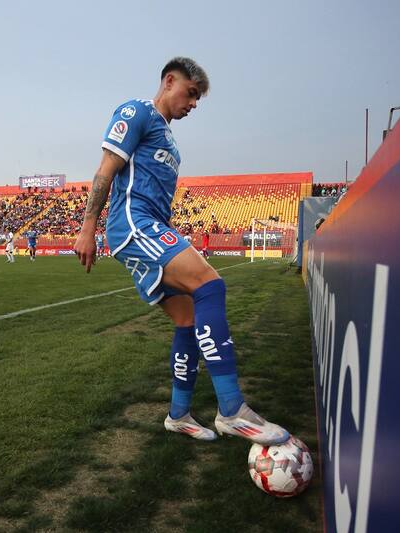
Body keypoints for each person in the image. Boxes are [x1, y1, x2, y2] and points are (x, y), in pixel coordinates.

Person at [73, 57, 288, 445]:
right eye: (191, 94)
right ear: (169, 81)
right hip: (134, 224)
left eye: (198, 99)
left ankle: (178, 415)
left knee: (187, 319)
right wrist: (88, 227)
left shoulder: (170, 139)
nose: (193, 104)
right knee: (210, 285)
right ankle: (232, 410)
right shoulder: (135, 111)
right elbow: (105, 169)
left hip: (154, 226)